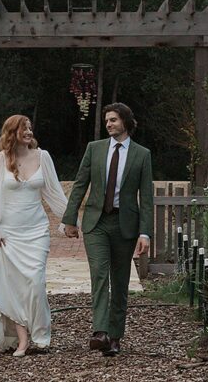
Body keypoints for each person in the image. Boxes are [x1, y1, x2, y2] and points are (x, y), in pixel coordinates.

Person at [63, 102, 153, 357]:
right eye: (106, 121)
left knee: (120, 280)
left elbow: (146, 197)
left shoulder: (142, 155)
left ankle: (114, 337)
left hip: (125, 225)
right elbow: (80, 184)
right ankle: (100, 332)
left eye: (113, 120)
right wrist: (70, 219)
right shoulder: (94, 149)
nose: (109, 124)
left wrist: (145, 233)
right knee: (100, 274)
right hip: (96, 222)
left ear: (125, 121)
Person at [0, 115, 70, 356]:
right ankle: (22, 339)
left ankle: (40, 334)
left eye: (30, 128)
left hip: (36, 230)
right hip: (9, 233)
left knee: (35, 283)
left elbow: (54, 192)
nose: (29, 131)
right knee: (12, 287)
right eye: (24, 128)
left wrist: (70, 220)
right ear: (12, 132)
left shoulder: (43, 157)